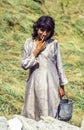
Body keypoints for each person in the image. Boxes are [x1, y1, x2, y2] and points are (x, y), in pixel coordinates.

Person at [21, 15, 68, 121]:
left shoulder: (54, 44)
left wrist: (62, 86)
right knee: (32, 111)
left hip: (50, 84)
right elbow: (24, 65)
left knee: (49, 113)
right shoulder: (29, 43)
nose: (45, 34)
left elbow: (59, 65)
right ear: (37, 28)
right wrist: (36, 52)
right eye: (42, 30)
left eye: (48, 31)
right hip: (34, 84)